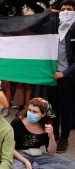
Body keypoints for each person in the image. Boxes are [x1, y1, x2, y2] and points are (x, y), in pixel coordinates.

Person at [11, 98, 75, 169]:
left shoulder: (46, 125)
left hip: (37, 155)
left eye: (35, 111)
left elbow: (51, 151)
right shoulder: (17, 122)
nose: (31, 113)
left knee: (72, 166)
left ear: (43, 114)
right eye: (29, 110)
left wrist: (51, 136)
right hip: (19, 155)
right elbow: (11, 149)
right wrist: (25, 161)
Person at [47, 0, 75, 153]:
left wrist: (64, 73)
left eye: (69, 9)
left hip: (67, 77)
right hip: (51, 77)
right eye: (63, 9)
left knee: (65, 110)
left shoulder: (74, 30)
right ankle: (54, 136)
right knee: (53, 108)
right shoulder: (53, 28)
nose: (65, 11)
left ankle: (64, 137)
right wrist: (48, 15)